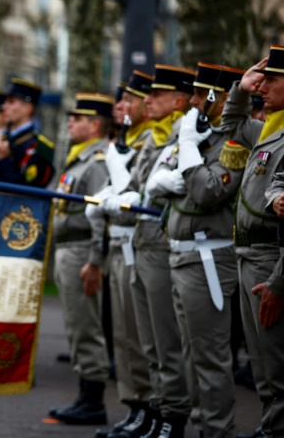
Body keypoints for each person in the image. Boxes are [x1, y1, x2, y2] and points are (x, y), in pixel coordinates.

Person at [149, 63, 246, 438]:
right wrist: (188, 157)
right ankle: (200, 425)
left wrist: (188, 147)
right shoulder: (201, 135)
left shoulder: (231, 143)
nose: (191, 101)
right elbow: (159, 182)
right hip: (181, 253)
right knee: (190, 353)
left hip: (207, 258)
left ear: (218, 98)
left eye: (199, 94)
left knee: (210, 358)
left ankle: (217, 430)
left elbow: (206, 191)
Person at [102, 64, 196, 437]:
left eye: (154, 96)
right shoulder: (156, 137)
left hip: (158, 243)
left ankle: (171, 415)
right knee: (146, 341)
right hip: (141, 243)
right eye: (148, 94)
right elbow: (139, 188)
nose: (146, 102)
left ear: (178, 100)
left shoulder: (179, 135)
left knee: (164, 341)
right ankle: (154, 409)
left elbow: (156, 189)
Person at [87, 70, 156, 438]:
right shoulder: (127, 138)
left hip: (138, 242)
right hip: (119, 241)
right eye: (121, 100)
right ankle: (134, 406)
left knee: (140, 337)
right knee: (124, 338)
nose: (121, 107)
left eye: (129, 100)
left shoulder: (151, 139)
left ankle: (151, 408)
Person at [220, 46, 284, 438]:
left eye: (272, 81)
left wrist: (279, 282)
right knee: (262, 362)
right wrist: (240, 90)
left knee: (276, 362)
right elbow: (231, 124)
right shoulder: (270, 131)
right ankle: (269, 426)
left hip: (270, 257)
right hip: (248, 255)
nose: (264, 86)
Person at [48, 93, 113, 426]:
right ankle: (84, 395)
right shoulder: (78, 158)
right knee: (76, 325)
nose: (70, 122)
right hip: (67, 248)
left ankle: (93, 400)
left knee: (87, 326)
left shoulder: (97, 161)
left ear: (96, 125)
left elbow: (101, 214)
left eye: (78, 118)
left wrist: (95, 259)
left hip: (81, 249)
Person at [0, 78, 55, 187]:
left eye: (11, 102)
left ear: (27, 108)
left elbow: (28, 189)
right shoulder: (3, 139)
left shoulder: (41, 148)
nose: (4, 106)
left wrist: (4, 161)